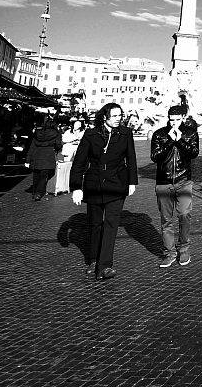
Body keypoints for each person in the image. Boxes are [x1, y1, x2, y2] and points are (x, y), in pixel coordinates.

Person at [71, 102, 138, 280]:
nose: (119, 119)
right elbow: (79, 162)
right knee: (95, 223)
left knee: (111, 223)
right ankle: (94, 259)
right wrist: (76, 187)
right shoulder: (90, 134)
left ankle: (105, 265)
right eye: (115, 116)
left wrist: (132, 182)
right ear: (104, 117)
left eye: (120, 116)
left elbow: (131, 158)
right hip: (94, 182)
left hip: (117, 182)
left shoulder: (126, 133)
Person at [151, 105, 199, 268]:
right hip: (163, 181)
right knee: (166, 219)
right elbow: (155, 157)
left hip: (183, 180)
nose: (174, 123)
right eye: (172, 120)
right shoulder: (159, 134)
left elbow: (194, 153)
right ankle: (169, 252)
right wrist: (170, 141)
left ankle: (184, 249)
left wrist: (180, 140)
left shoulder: (190, 133)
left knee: (185, 214)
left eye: (177, 120)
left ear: (183, 118)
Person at [26, 116, 62, 201]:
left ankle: (35, 191)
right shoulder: (55, 133)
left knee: (36, 173)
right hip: (48, 155)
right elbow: (58, 145)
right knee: (44, 175)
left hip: (36, 155)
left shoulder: (37, 133)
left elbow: (32, 146)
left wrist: (28, 159)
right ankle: (39, 192)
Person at [47, 118, 83, 195]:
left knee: (76, 167)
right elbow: (64, 139)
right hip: (68, 151)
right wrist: (74, 138)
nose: (77, 128)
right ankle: (66, 183)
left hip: (78, 151)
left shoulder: (83, 132)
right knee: (67, 166)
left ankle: (73, 183)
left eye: (79, 127)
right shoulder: (68, 132)